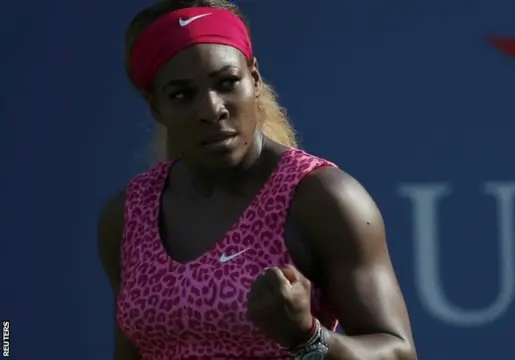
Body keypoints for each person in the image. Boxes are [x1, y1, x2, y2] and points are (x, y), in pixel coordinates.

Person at [98, 0, 417, 359]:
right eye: (183, 95)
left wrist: (308, 338)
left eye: (227, 82)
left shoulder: (322, 198)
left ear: (254, 77)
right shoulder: (129, 214)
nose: (212, 109)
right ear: (156, 105)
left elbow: (399, 353)